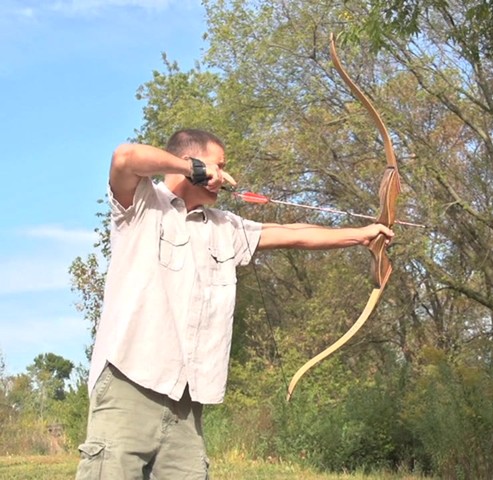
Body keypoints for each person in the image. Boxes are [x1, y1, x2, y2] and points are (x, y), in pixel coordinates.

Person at [75, 128, 394, 479]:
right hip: (128, 384)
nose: (226, 176)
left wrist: (362, 235)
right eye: (220, 165)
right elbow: (125, 158)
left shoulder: (224, 227)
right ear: (190, 162)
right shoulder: (142, 205)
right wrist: (196, 169)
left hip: (186, 401)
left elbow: (291, 234)